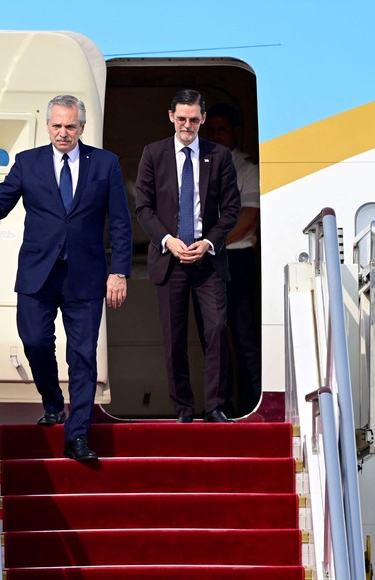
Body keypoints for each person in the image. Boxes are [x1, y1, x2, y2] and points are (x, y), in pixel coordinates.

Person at [0, 94, 132, 460]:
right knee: (34, 342)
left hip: (85, 275)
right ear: (48, 126)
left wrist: (119, 272)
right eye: (57, 126)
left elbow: (121, 223)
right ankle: (52, 402)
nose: (63, 133)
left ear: (81, 127)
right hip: (38, 273)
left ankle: (77, 437)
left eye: (70, 126)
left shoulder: (105, 163)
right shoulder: (28, 162)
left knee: (83, 356)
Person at [134, 89, 240, 423]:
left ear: (202, 118)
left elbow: (231, 209)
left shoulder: (219, 156)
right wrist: (167, 240)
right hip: (170, 259)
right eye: (181, 118)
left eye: (194, 119)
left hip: (208, 260)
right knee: (174, 338)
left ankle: (215, 406)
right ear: (171, 117)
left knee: (217, 329)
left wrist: (208, 243)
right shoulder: (154, 154)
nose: (187, 125)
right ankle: (183, 408)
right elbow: (144, 208)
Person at [204, 103, 261, 416]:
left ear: (236, 131)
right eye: (211, 130)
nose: (216, 135)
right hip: (204, 262)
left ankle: (252, 406)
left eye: (222, 130)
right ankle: (220, 407)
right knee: (213, 338)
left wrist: (208, 243)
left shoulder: (247, 169)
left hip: (236, 261)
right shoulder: (198, 167)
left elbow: (248, 219)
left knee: (243, 336)